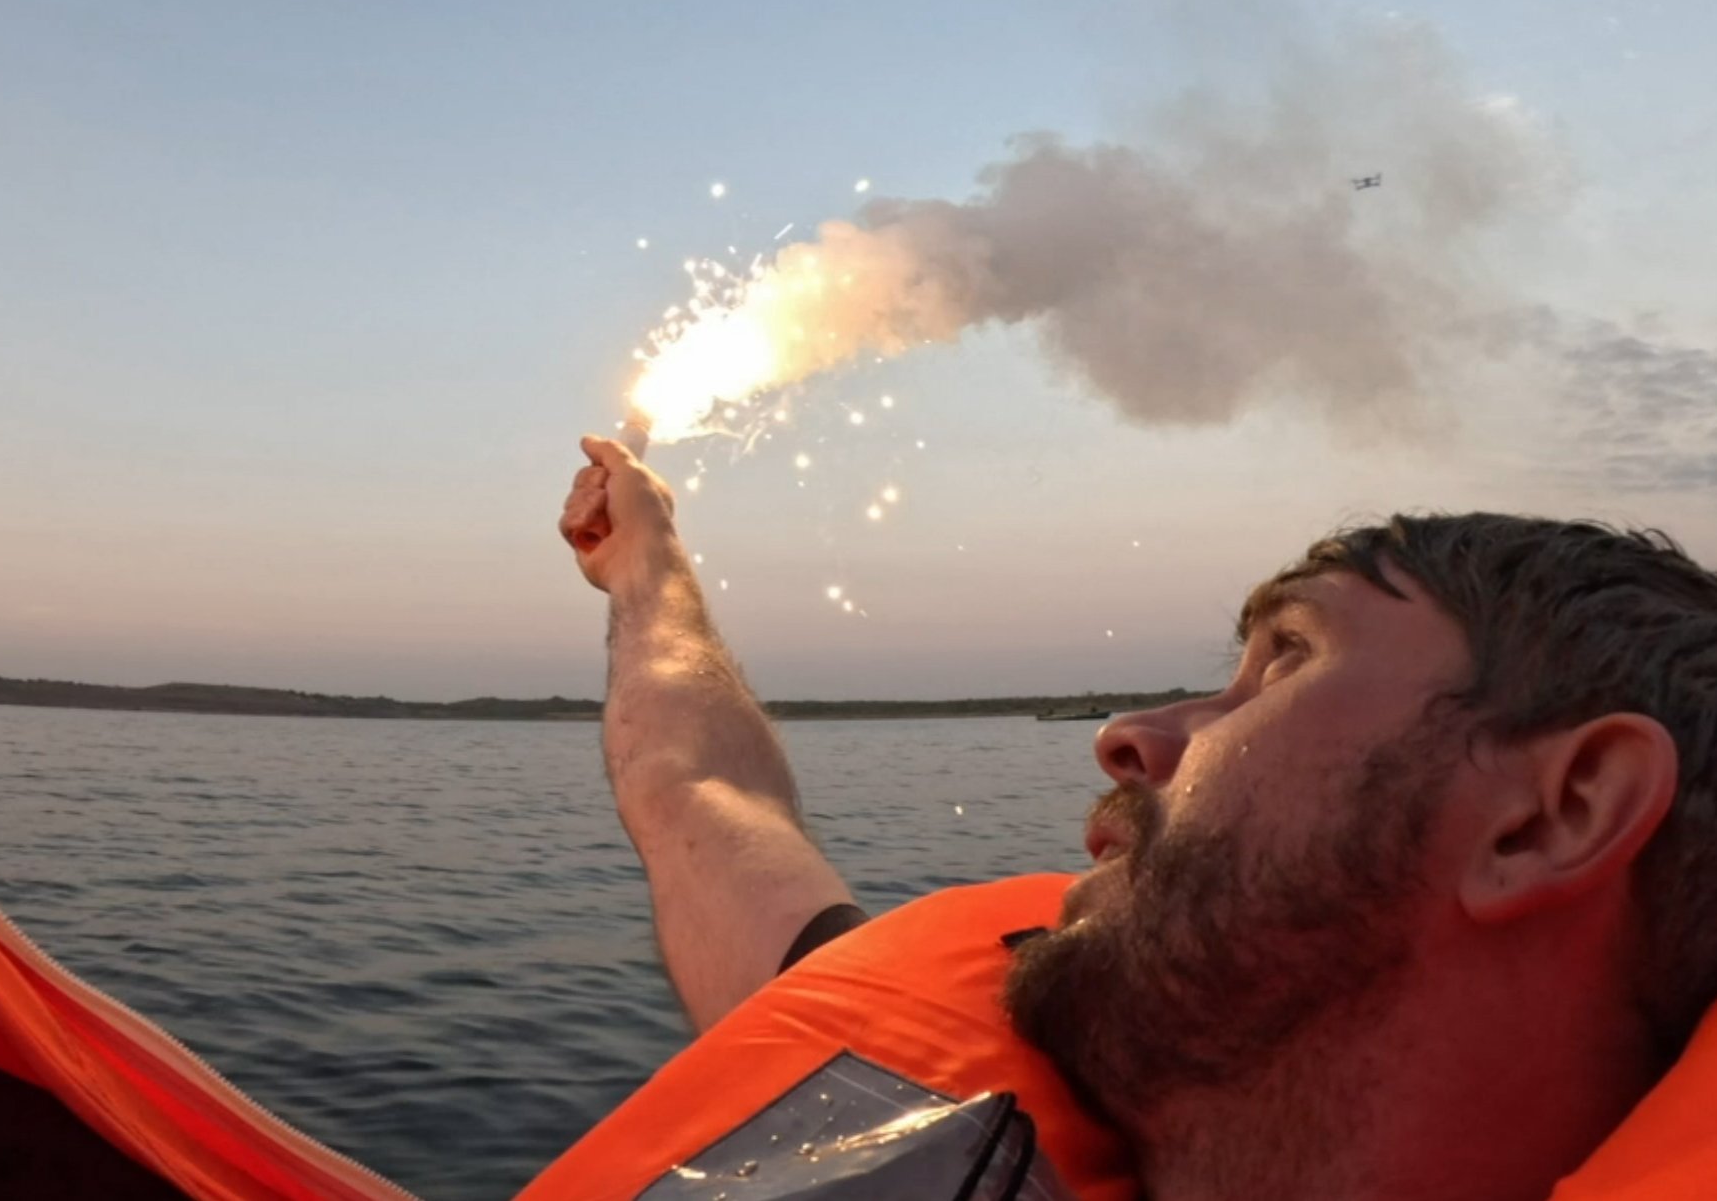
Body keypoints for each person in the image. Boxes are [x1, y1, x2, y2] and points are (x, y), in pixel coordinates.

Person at [549, 432, 1717, 1201]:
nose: (1128, 733)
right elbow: (701, 793)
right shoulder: (913, 1101)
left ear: (1553, 813)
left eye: (1286, 658)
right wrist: (648, 567)